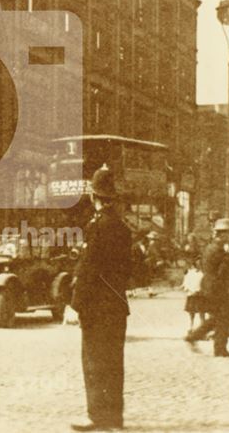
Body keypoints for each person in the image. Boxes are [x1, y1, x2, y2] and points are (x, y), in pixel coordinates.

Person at [68, 166, 131, 432]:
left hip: (96, 306)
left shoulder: (96, 226)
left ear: (94, 197)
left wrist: (74, 304)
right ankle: (114, 418)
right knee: (114, 362)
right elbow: (129, 268)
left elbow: (88, 269)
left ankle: (97, 415)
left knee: (94, 361)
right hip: (117, 304)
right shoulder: (123, 227)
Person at [185, 218, 229, 357]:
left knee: (218, 318)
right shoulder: (219, 249)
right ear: (222, 234)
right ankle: (216, 347)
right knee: (222, 318)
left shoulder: (211, 247)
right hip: (217, 287)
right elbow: (222, 270)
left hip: (210, 285)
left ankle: (214, 346)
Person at [181, 259, 204, 336]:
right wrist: (188, 289)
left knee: (201, 313)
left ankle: (202, 329)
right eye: (197, 265)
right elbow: (185, 284)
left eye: (200, 265)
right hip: (191, 295)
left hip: (200, 296)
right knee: (191, 313)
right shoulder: (189, 274)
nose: (198, 266)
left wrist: (199, 291)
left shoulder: (202, 274)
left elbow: (204, 285)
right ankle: (190, 327)